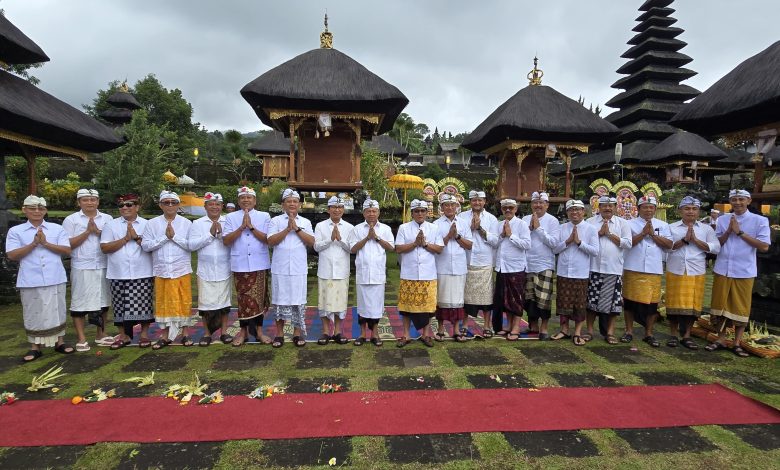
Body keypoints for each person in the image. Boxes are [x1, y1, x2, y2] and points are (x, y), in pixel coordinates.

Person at [6, 195, 74, 361]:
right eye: (32, 208)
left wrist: (45, 244)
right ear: (24, 210)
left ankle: (60, 342)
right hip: (30, 278)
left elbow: (67, 251)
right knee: (33, 311)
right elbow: (12, 255)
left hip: (54, 276)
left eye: (40, 208)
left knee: (57, 310)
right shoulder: (16, 231)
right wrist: (34, 244)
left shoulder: (56, 229)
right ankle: (35, 346)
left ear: (45, 210)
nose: (37, 211)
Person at [706, 189, 771, 357]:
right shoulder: (722, 219)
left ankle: (736, 342)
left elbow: (764, 246)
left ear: (748, 201)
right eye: (734, 199)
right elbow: (716, 244)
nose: (737, 202)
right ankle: (720, 339)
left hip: (744, 270)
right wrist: (728, 231)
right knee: (720, 305)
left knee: (740, 307)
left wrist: (740, 232)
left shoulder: (760, 221)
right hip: (723, 268)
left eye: (741, 199)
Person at [61, 189, 114, 351]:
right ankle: (81, 338)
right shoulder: (71, 220)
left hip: (103, 264)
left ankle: (101, 334)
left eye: (93, 199)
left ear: (98, 201)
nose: (90, 202)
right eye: (85, 200)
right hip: (82, 266)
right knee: (79, 302)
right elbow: (67, 245)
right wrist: (87, 232)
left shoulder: (107, 218)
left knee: (103, 301)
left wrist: (98, 232)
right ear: (79, 202)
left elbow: (111, 241)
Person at [100, 193, 154, 349]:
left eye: (129, 205)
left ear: (137, 207)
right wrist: (125, 239)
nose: (125, 208)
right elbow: (104, 247)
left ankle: (144, 335)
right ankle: (123, 336)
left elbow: (152, 247)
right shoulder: (111, 225)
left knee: (143, 305)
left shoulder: (147, 224)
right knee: (120, 305)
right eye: (121, 205)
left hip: (142, 270)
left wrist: (136, 238)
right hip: (118, 271)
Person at [141, 191, 193, 349]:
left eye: (173, 202)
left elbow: (191, 245)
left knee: (184, 301)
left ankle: (185, 334)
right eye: (166, 202)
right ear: (160, 205)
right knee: (163, 303)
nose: (170, 205)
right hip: (162, 269)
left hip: (181, 268)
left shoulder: (186, 223)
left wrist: (174, 237)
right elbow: (146, 246)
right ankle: (165, 336)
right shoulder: (152, 224)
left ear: (178, 205)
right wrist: (165, 237)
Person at [666, 196, 720, 349]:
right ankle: (673, 334)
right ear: (680, 211)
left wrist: (696, 240)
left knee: (693, 305)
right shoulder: (672, 227)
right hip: (676, 268)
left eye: (694, 209)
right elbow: (666, 247)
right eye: (687, 208)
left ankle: (687, 335)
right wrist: (683, 240)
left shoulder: (706, 229)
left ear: (698, 212)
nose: (691, 212)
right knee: (673, 304)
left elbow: (716, 248)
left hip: (696, 270)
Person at [222, 186, 271, 346]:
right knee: (243, 301)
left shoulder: (264, 216)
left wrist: (251, 227)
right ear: (238, 201)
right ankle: (243, 332)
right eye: (243, 198)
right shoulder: (230, 217)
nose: (246, 200)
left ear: (255, 201)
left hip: (259, 263)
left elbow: (267, 240)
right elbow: (227, 240)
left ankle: (258, 331)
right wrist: (241, 227)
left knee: (259, 299)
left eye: (249, 198)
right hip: (240, 265)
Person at [622, 196, 673, 347]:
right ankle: (629, 331)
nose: (648, 210)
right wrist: (643, 234)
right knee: (629, 302)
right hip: (633, 266)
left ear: (655, 209)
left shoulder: (662, 225)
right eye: (645, 207)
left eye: (651, 207)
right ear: (638, 209)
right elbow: (627, 244)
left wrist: (653, 235)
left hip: (653, 269)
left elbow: (669, 244)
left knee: (652, 303)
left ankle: (649, 333)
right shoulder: (629, 224)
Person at [266, 188, 315, 348]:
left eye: (295, 201)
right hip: (280, 268)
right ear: (283, 205)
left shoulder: (305, 222)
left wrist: (296, 228)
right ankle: (279, 334)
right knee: (279, 300)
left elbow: (311, 242)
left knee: (297, 301)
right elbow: (271, 241)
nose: (292, 204)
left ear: (299, 204)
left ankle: (297, 333)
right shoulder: (275, 221)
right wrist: (287, 229)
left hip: (298, 268)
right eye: (289, 201)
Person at [395, 200, 444, 347]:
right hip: (409, 273)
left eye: (423, 211)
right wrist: (415, 244)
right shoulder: (404, 228)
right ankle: (406, 335)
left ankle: (426, 334)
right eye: (417, 211)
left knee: (428, 307)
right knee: (406, 307)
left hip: (428, 274)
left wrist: (425, 244)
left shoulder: (434, 228)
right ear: (412, 213)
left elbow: (440, 249)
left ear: (427, 212)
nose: (420, 214)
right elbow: (398, 248)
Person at [187, 192, 233, 346]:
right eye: (211, 204)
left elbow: (232, 243)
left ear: (222, 206)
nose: (214, 207)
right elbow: (191, 245)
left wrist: (220, 236)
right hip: (205, 270)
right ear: (205, 206)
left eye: (217, 204)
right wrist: (210, 235)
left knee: (224, 304)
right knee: (205, 304)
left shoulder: (228, 221)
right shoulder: (198, 224)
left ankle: (224, 332)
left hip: (224, 268)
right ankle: (207, 333)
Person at [585, 195, 632, 344]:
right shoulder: (590, 222)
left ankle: (610, 332)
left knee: (613, 304)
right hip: (593, 267)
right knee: (590, 302)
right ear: (598, 208)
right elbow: (584, 242)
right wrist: (599, 233)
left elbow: (628, 243)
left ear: (615, 207)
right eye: (604, 205)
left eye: (611, 205)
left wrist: (610, 234)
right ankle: (589, 331)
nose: (607, 208)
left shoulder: (623, 223)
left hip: (613, 268)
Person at [347, 198, 395, 346]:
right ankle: (362, 334)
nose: (371, 214)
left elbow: (391, 248)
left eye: (374, 211)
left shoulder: (385, 229)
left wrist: (377, 237)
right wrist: (367, 237)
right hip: (363, 273)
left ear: (378, 212)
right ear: (364, 213)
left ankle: (375, 334)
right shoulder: (356, 229)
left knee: (376, 305)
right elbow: (352, 249)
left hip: (378, 274)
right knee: (362, 305)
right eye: (368, 211)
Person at [552, 199, 599, 345]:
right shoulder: (562, 228)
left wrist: (579, 242)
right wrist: (567, 242)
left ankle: (577, 332)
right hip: (564, 271)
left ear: (583, 212)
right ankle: (564, 330)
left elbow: (595, 251)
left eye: (578, 209)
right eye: (571, 210)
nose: (575, 212)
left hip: (581, 272)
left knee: (579, 304)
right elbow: (554, 249)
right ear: (567, 212)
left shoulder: (590, 229)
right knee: (563, 302)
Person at [457, 190, 499, 338]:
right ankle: (465, 324)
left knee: (487, 298)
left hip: (484, 262)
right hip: (466, 261)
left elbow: (496, 241)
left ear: (484, 201)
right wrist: (470, 228)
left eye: (480, 200)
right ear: (470, 202)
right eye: (474, 200)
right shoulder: (461, 217)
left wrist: (480, 229)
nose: (477, 203)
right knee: (466, 297)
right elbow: (458, 235)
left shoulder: (492, 219)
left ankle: (487, 325)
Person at [314, 196, 354, 345]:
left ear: (343, 209)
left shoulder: (350, 227)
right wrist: (330, 239)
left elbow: (352, 248)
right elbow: (316, 247)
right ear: (328, 209)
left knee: (339, 303)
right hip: (325, 270)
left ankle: (337, 331)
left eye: (340, 207)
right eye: (334, 207)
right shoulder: (320, 226)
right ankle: (325, 332)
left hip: (342, 270)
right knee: (324, 303)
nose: (337, 210)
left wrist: (340, 239)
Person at [433, 194, 473, 342]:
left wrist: (457, 236)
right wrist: (449, 235)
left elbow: (469, 245)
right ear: (442, 208)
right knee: (441, 299)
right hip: (442, 267)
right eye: (446, 205)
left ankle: (456, 330)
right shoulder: (436, 224)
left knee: (457, 300)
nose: (449, 208)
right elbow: (437, 247)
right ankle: (441, 329)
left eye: (452, 205)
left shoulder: (463, 223)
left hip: (459, 266)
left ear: (457, 207)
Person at [521, 191, 559, 340]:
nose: (538, 205)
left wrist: (538, 228)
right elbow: (521, 240)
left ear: (547, 205)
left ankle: (544, 327)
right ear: (531, 205)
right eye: (535, 203)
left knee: (544, 299)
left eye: (541, 202)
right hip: (527, 264)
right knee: (529, 298)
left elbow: (554, 244)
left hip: (544, 264)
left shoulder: (553, 221)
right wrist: (530, 228)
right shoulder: (524, 219)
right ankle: (533, 325)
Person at [493, 198, 532, 341]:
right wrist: (502, 235)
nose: (507, 210)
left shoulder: (521, 224)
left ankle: (516, 327)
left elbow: (527, 244)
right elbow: (494, 244)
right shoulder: (498, 225)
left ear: (516, 209)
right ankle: (508, 325)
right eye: (505, 208)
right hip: (502, 267)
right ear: (501, 210)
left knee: (516, 299)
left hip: (516, 267)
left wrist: (511, 235)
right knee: (505, 299)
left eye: (510, 207)